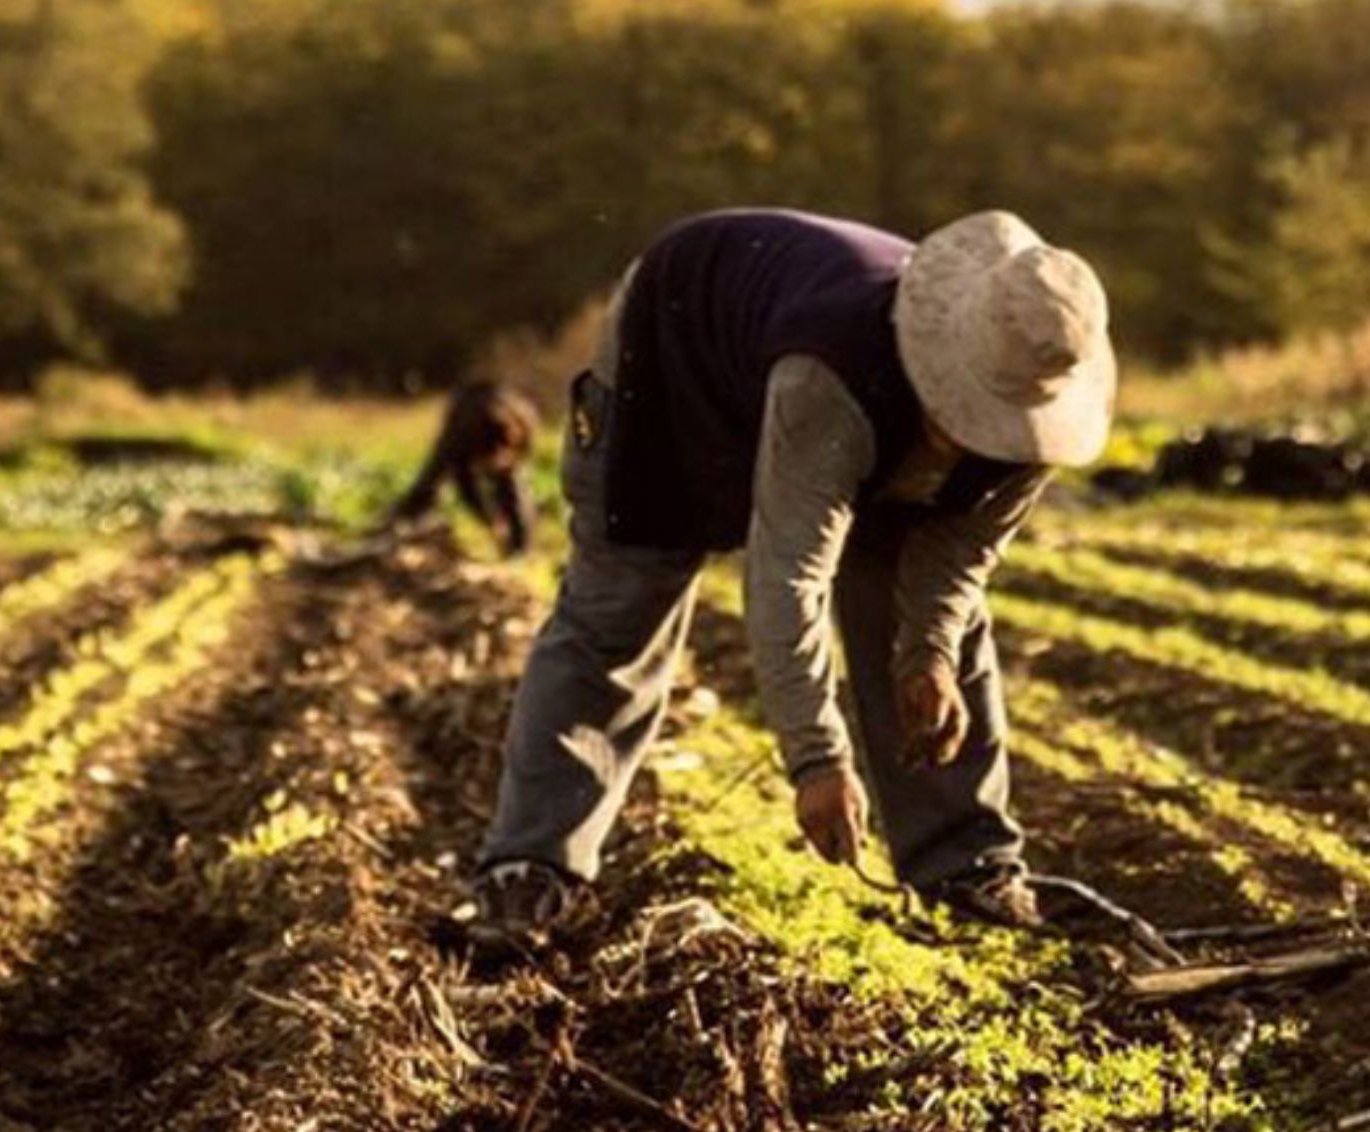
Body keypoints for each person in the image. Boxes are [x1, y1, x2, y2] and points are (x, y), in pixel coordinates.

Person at [469, 208, 1115, 947]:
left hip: (826, 391)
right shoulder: (833, 372)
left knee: (938, 634)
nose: (973, 429)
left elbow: (961, 551)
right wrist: (817, 759)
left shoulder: (1040, 392)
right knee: (620, 606)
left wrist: (928, 649)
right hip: (679, 353)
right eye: (965, 407)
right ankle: (529, 872)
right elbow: (787, 575)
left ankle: (965, 867)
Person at [387, 381, 540, 557]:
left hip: (507, 407)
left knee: (512, 488)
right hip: (465, 409)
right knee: (432, 478)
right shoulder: (460, 438)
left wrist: (513, 532)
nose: (493, 467)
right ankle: (401, 522)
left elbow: (515, 490)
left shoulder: (524, 427)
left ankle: (520, 549)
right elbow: (465, 485)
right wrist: (490, 520)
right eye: (490, 461)